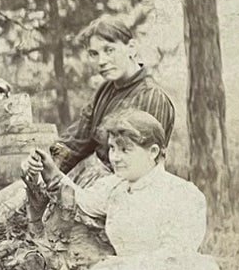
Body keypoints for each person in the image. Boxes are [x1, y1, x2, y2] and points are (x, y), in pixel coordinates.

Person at [34, 109, 239, 270]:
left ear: (153, 152)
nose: (116, 158)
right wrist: (52, 174)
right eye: (113, 149)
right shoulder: (115, 188)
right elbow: (81, 201)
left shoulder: (182, 194)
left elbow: (177, 252)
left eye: (125, 150)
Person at [51, 22, 177, 174]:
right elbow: (76, 142)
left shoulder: (151, 96)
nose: (101, 61)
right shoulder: (104, 91)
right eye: (94, 54)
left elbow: (141, 168)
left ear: (131, 48)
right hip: (98, 183)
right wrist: (45, 164)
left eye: (109, 50)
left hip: (129, 189)